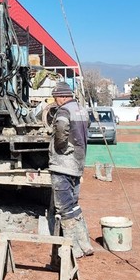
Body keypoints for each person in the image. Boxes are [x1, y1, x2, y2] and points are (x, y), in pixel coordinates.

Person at [49, 81, 94, 258]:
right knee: (74, 205)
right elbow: (86, 127)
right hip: (78, 162)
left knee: (64, 206)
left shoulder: (64, 111)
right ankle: (85, 243)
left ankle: (72, 249)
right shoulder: (81, 109)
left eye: (55, 98)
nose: (55, 102)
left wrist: (60, 146)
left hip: (63, 163)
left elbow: (61, 129)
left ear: (62, 96)